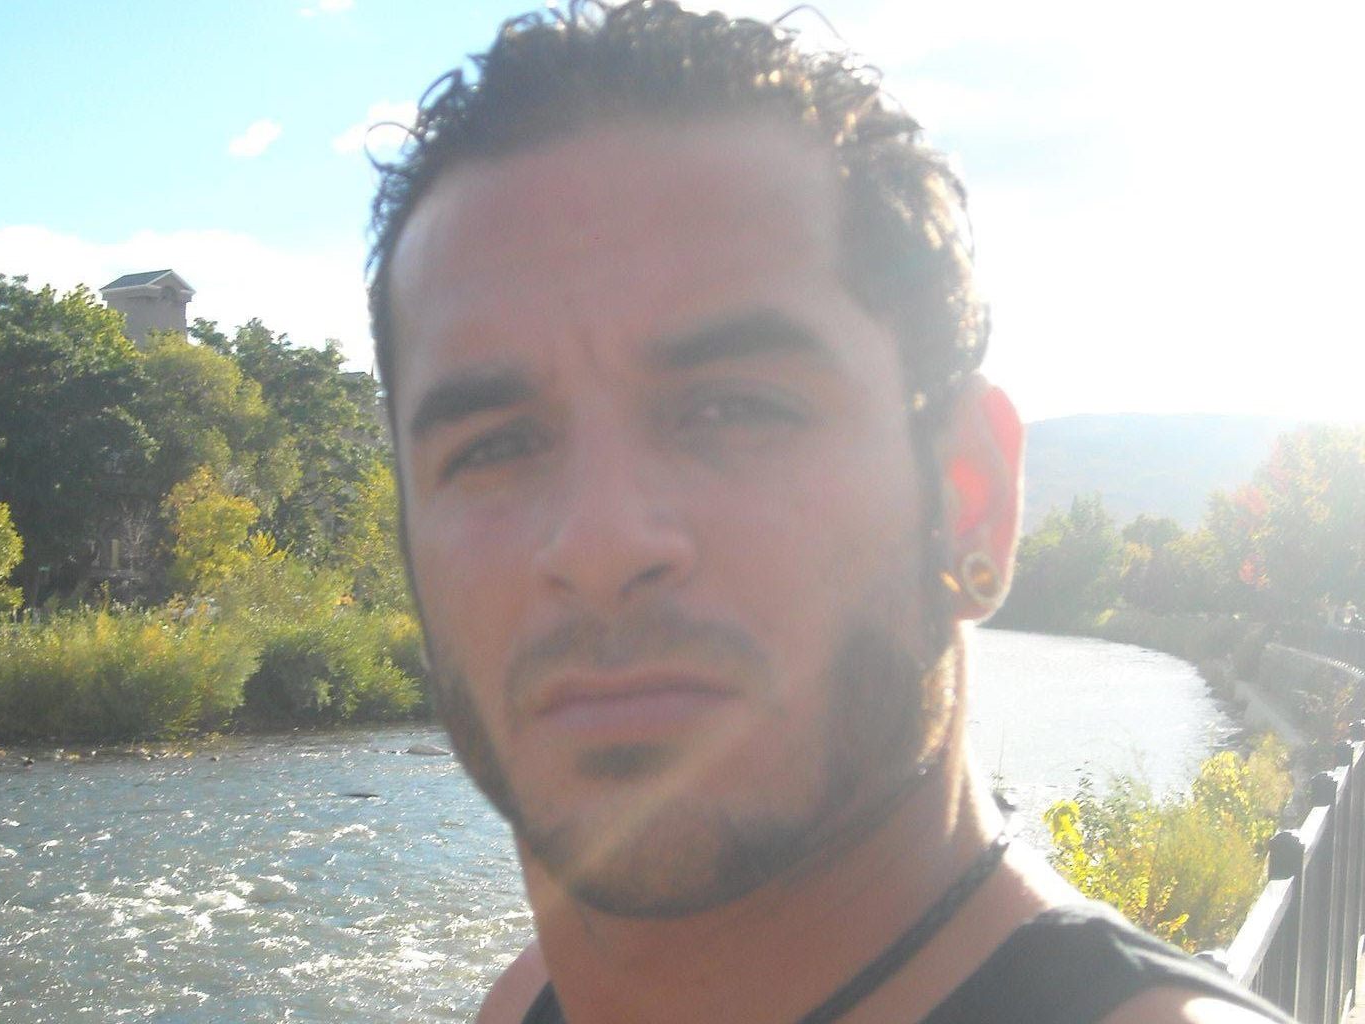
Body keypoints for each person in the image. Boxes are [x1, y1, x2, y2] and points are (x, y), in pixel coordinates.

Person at [364, 3, 1294, 1021]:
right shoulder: (527, 1006)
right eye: (491, 447)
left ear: (969, 504)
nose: (598, 542)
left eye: (735, 409)